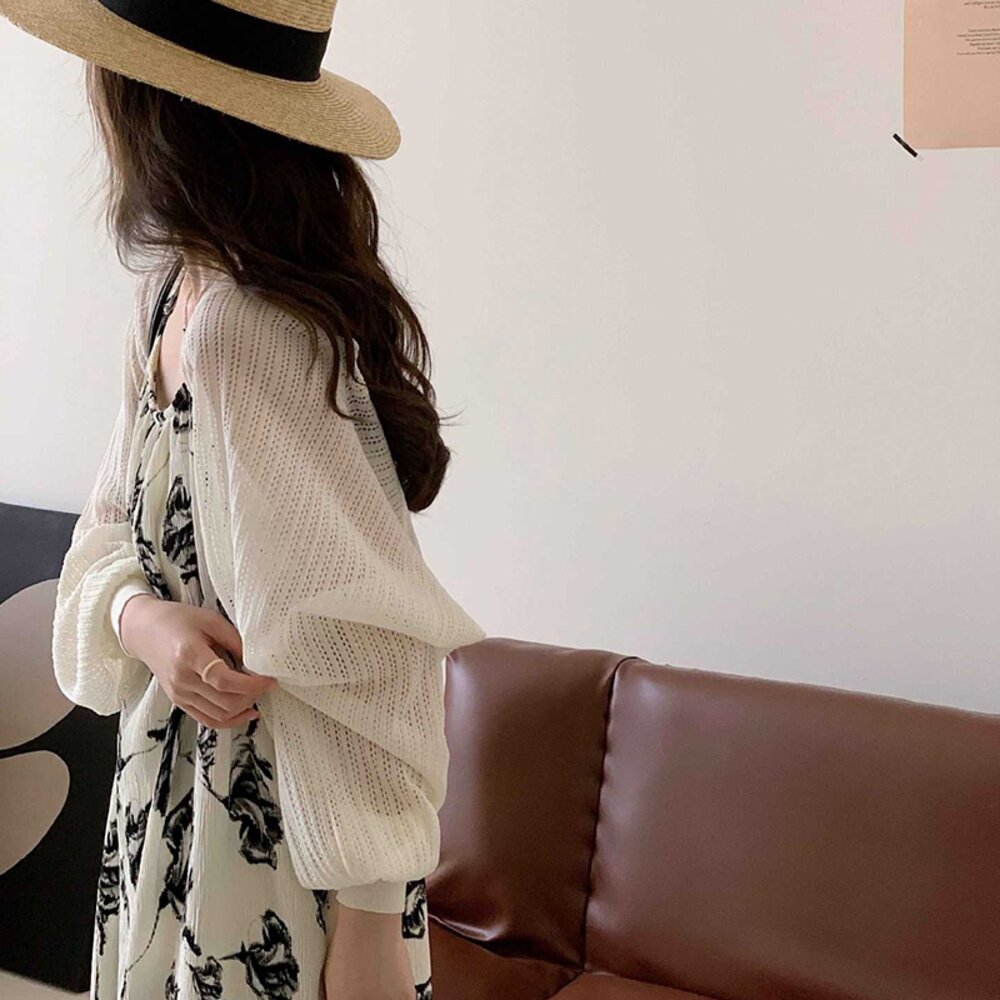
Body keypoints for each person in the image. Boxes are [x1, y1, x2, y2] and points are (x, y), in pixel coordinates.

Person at [1, 2, 486, 998]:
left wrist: (369, 918)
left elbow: (374, 649)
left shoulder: (246, 329)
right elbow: (104, 534)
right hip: (169, 796)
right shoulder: (168, 297)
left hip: (277, 846)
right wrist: (142, 622)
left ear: (151, 100)